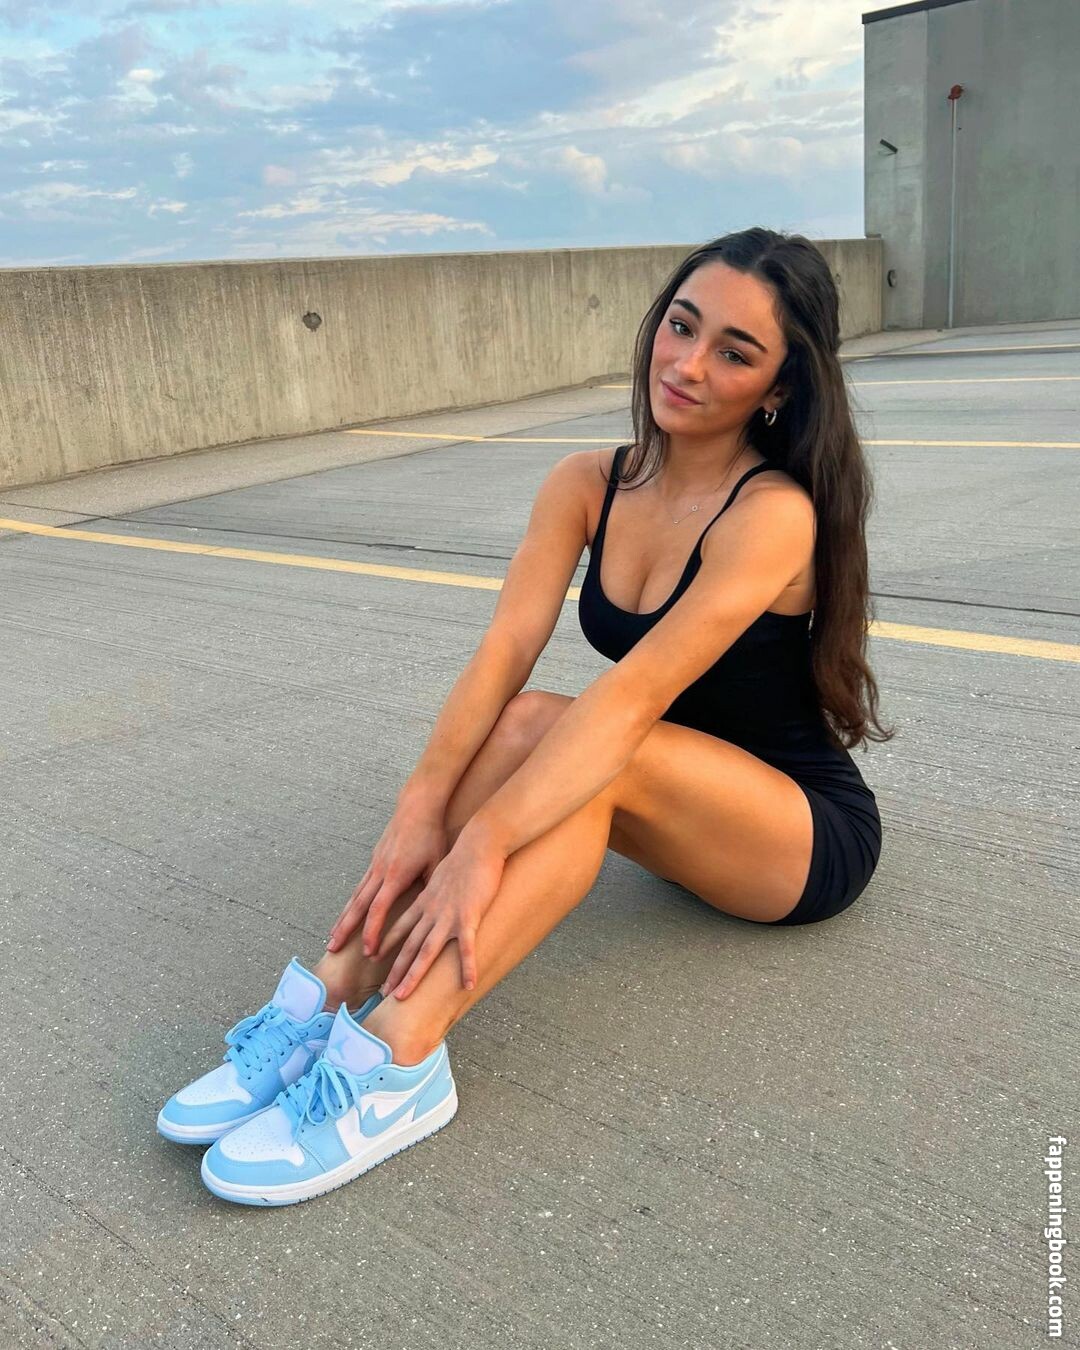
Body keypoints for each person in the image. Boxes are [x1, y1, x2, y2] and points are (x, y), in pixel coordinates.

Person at [158, 226, 894, 1206]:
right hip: (671, 798)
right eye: (682, 326)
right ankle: (330, 996)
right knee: (529, 722)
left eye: (734, 352)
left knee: (597, 756)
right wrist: (422, 809)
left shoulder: (772, 515)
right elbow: (503, 653)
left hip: (794, 833)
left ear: (779, 388)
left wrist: (485, 842)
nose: (686, 365)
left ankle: (401, 1059)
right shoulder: (586, 483)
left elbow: (632, 701)